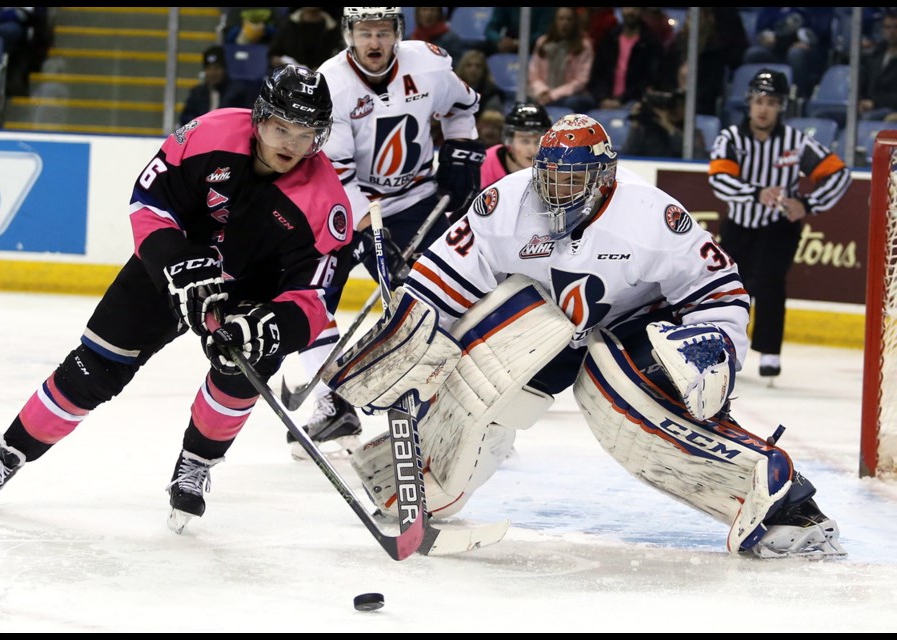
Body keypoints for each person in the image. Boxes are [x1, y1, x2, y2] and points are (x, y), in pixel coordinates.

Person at [326, 112, 848, 560]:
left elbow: (720, 289)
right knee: (484, 362)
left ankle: (786, 505)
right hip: (540, 326)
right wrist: (406, 349)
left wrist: (716, 345)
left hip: (631, 328)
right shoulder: (504, 205)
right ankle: (423, 476)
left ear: (604, 177)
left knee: (624, 396)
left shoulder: (653, 217)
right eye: (549, 175)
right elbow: (435, 288)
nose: (555, 189)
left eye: (571, 178)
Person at [0, 64, 354, 535]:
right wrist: (173, 263)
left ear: (320, 138)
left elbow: (315, 297)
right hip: (171, 267)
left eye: (305, 134)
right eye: (281, 127)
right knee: (92, 369)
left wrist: (269, 328)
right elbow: (149, 203)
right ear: (259, 116)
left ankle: (196, 463)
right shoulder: (209, 134)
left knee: (239, 377)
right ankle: (7, 455)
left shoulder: (326, 202)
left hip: (253, 294)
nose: (290, 143)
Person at [286, 6, 484, 460]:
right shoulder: (329, 84)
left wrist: (461, 147)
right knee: (306, 298)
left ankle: (461, 410)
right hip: (340, 207)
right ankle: (332, 405)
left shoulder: (430, 64)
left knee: (439, 303)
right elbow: (338, 177)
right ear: (348, 35)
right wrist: (369, 235)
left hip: (415, 201)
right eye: (363, 33)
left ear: (398, 33)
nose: (373, 43)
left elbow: (463, 107)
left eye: (382, 32)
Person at [708, 68, 852, 379]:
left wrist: (809, 204)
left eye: (772, 102)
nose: (764, 108)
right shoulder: (730, 138)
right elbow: (719, 180)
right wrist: (755, 193)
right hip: (740, 224)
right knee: (733, 288)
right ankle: (727, 346)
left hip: (779, 226)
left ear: (782, 106)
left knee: (771, 282)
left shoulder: (795, 142)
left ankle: (770, 352)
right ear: (749, 102)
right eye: (760, 100)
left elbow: (839, 174)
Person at [742, 7, 835, 100]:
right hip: (777, 49)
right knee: (753, 54)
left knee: (796, 53)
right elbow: (762, 32)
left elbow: (820, 31)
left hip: (811, 52)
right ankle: (755, 99)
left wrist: (805, 39)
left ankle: (798, 98)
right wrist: (767, 38)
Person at [587, 6, 666, 110]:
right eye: (627, 8)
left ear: (641, 11)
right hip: (603, 98)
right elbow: (596, 75)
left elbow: (649, 80)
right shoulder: (609, 38)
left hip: (633, 100)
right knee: (575, 104)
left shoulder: (650, 43)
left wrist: (621, 100)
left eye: (635, 8)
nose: (630, 11)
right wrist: (603, 98)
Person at [527, 7, 596, 114]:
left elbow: (581, 80)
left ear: (575, 22)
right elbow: (534, 75)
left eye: (569, 19)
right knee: (525, 100)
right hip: (543, 92)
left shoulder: (584, 46)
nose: (565, 23)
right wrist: (543, 91)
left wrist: (553, 95)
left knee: (573, 103)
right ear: (555, 21)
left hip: (570, 95)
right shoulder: (542, 42)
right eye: (561, 19)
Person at [480, 101, 551, 188]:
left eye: (538, 142)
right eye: (525, 141)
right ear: (509, 141)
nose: (533, 150)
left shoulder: (554, 165)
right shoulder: (485, 162)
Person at [179, 45, 254, 126]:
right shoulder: (197, 93)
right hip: (202, 134)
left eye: (216, 68)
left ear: (224, 70)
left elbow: (245, 118)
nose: (212, 73)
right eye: (209, 68)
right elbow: (185, 118)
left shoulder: (238, 92)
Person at [622, 88, 707, 159]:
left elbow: (699, 158)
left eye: (680, 104)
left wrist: (669, 127)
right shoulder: (646, 131)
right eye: (672, 104)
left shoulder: (692, 134)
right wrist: (635, 125)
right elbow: (627, 156)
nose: (675, 108)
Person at [267, 7, 343, 71]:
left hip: (323, 80)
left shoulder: (334, 29)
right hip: (290, 80)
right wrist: (282, 63)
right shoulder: (287, 25)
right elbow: (273, 55)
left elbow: (339, 58)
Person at [858, 9, 897, 122]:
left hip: (889, 109)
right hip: (869, 106)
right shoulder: (875, 54)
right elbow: (862, 83)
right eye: (887, 27)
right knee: (822, 114)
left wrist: (875, 103)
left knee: (867, 118)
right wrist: (861, 101)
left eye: (895, 27)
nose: (891, 31)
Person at [483, 7, 556, 56]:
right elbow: (491, 28)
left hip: (534, 46)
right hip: (509, 44)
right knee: (477, 47)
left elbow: (543, 32)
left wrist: (520, 43)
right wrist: (499, 40)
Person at [455, 48, 506, 114]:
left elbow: (491, 119)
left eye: (478, 66)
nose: (473, 70)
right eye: (469, 65)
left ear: (484, 70)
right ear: (461, 68)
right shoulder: (453, 90)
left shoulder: (491, 93)